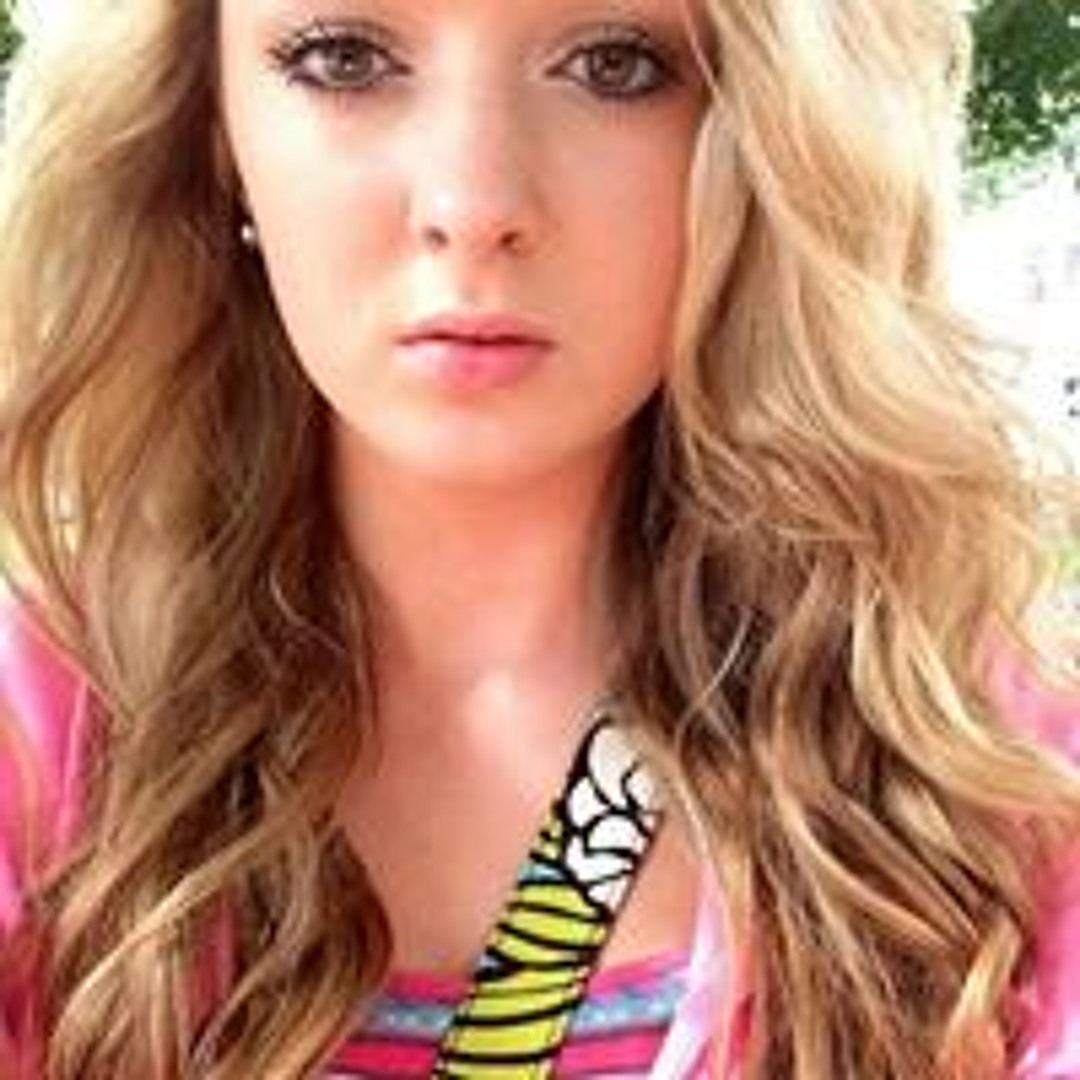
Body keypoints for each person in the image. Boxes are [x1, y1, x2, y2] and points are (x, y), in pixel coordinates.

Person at [0, 0, 1078, 1076]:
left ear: (758, 130)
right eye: (344, 58)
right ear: (214, 129)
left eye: (614, 65)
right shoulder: (39, 741)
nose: (473, 205)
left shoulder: (994, 784)